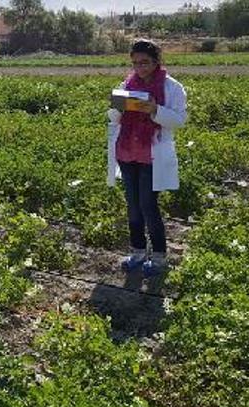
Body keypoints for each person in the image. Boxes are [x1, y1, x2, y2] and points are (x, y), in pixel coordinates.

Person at [107, 39, 187, 277]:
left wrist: (154, 110)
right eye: (135, 63)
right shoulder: (128, 84)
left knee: (148, 206)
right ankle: (138, 252)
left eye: (144, 62)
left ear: (156, 62)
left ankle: (160, 257)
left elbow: (179, 120)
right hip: (127, 153)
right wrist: (118, 108)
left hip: (151, 155)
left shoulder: (172, 87)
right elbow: (113, 117)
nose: (139, 68)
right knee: (133, 207)